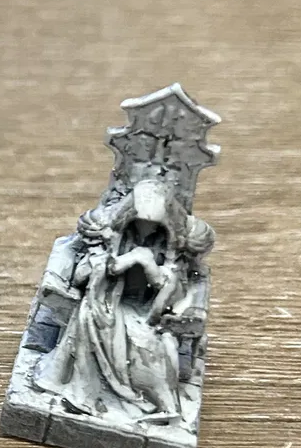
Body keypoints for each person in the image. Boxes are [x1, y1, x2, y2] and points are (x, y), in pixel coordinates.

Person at [33, 177, 213, 424]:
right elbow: (86, 273)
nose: (146, 229)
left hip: (146, 310)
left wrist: (149, 265)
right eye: (140, 222)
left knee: (156, 343)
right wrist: (126, 260)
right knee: (89, 315)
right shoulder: (113, 236)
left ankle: (160, 404)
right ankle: (85, 395)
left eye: (153, 225)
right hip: (108, 299)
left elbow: (173, 289)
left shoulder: (170, 249)